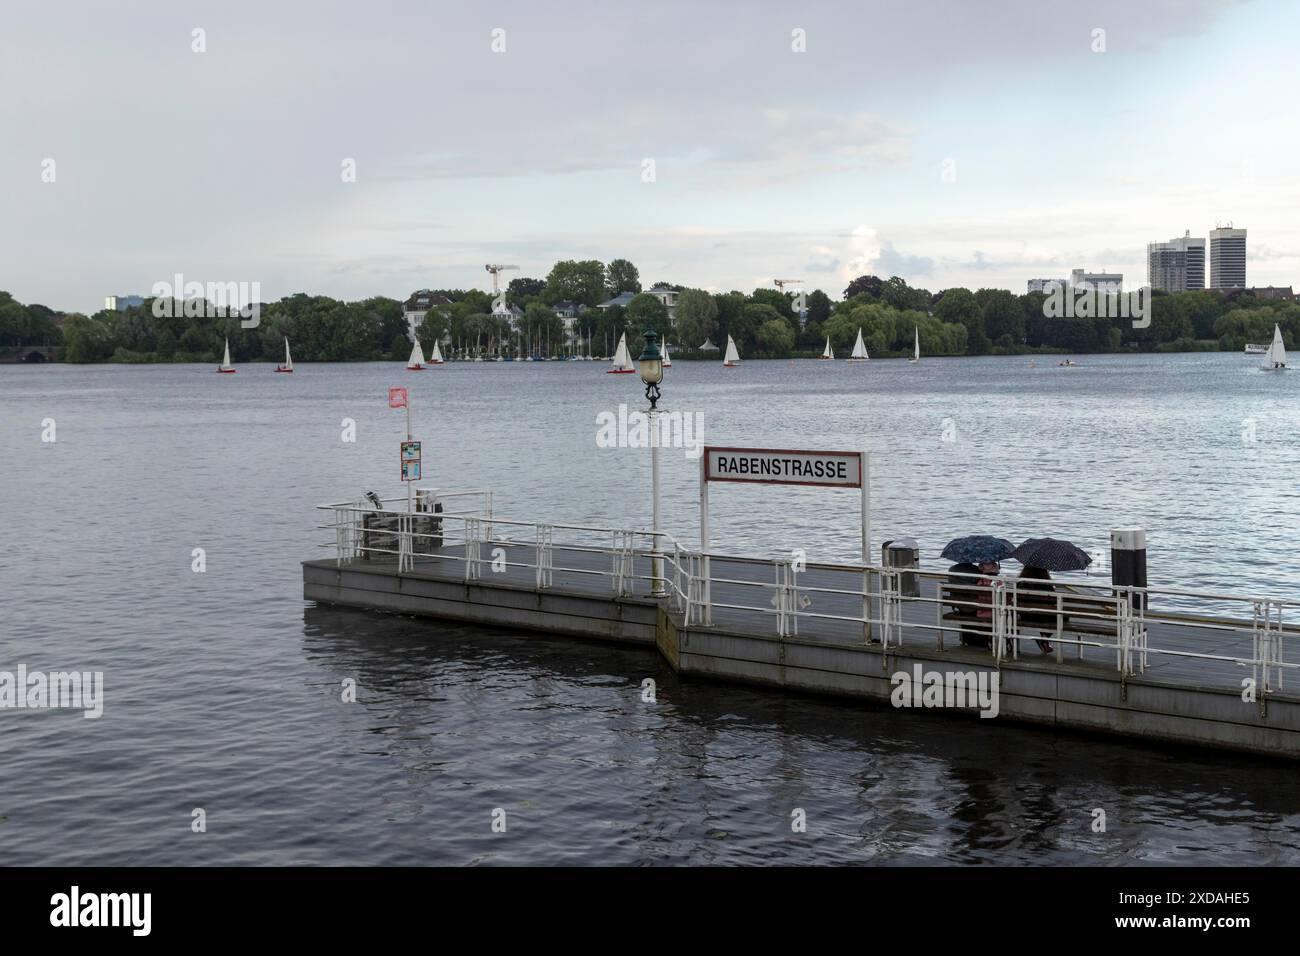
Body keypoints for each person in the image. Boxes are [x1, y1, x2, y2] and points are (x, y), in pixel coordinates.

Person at [946, 562, 989, 647]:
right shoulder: (977, 571)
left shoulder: (952, 569)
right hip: (975, 607)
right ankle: (981, 640)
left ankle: (967, 639)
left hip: (959, 605)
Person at [1016, 565, 1057, 654]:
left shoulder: (1021, 582)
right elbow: (1053, 601)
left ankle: (1044, 639)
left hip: (1026, 616)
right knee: (1061, 617)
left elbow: (1017, 599)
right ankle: (1045, 637)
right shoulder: (1046, 584)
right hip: (1043, 617)